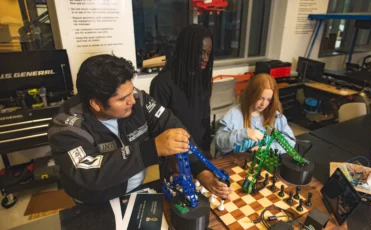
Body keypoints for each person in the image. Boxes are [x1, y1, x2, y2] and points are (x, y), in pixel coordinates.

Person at [48, 54, 231, 203]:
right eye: (122, 99)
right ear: (96, 104)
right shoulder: (66, 127)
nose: (132, 101)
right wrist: (152, 149)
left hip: (138, 190)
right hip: (96, 202)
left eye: (131, 92)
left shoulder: (138, 100)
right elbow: (88, 172)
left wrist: (200, 170)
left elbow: (173, 128)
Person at [150, 24, 213, 155]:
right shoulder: (162, 83)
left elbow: (205, 118)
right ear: (186, 50)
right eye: (200, 52)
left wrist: (206, 149)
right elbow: (158, 128)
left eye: (208, 53)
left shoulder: (202, 79)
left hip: (200, 151)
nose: (205, 59)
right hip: (176, 156)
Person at [214, 73, 296, 156]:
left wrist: (267, 149)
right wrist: (244, 134)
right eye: (260, 98)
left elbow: (289, 142)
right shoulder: (234, 114)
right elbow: (219, 143)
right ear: (251, 95)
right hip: (233, 162)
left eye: (269, 100)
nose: (263, 104)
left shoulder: (275, 116)